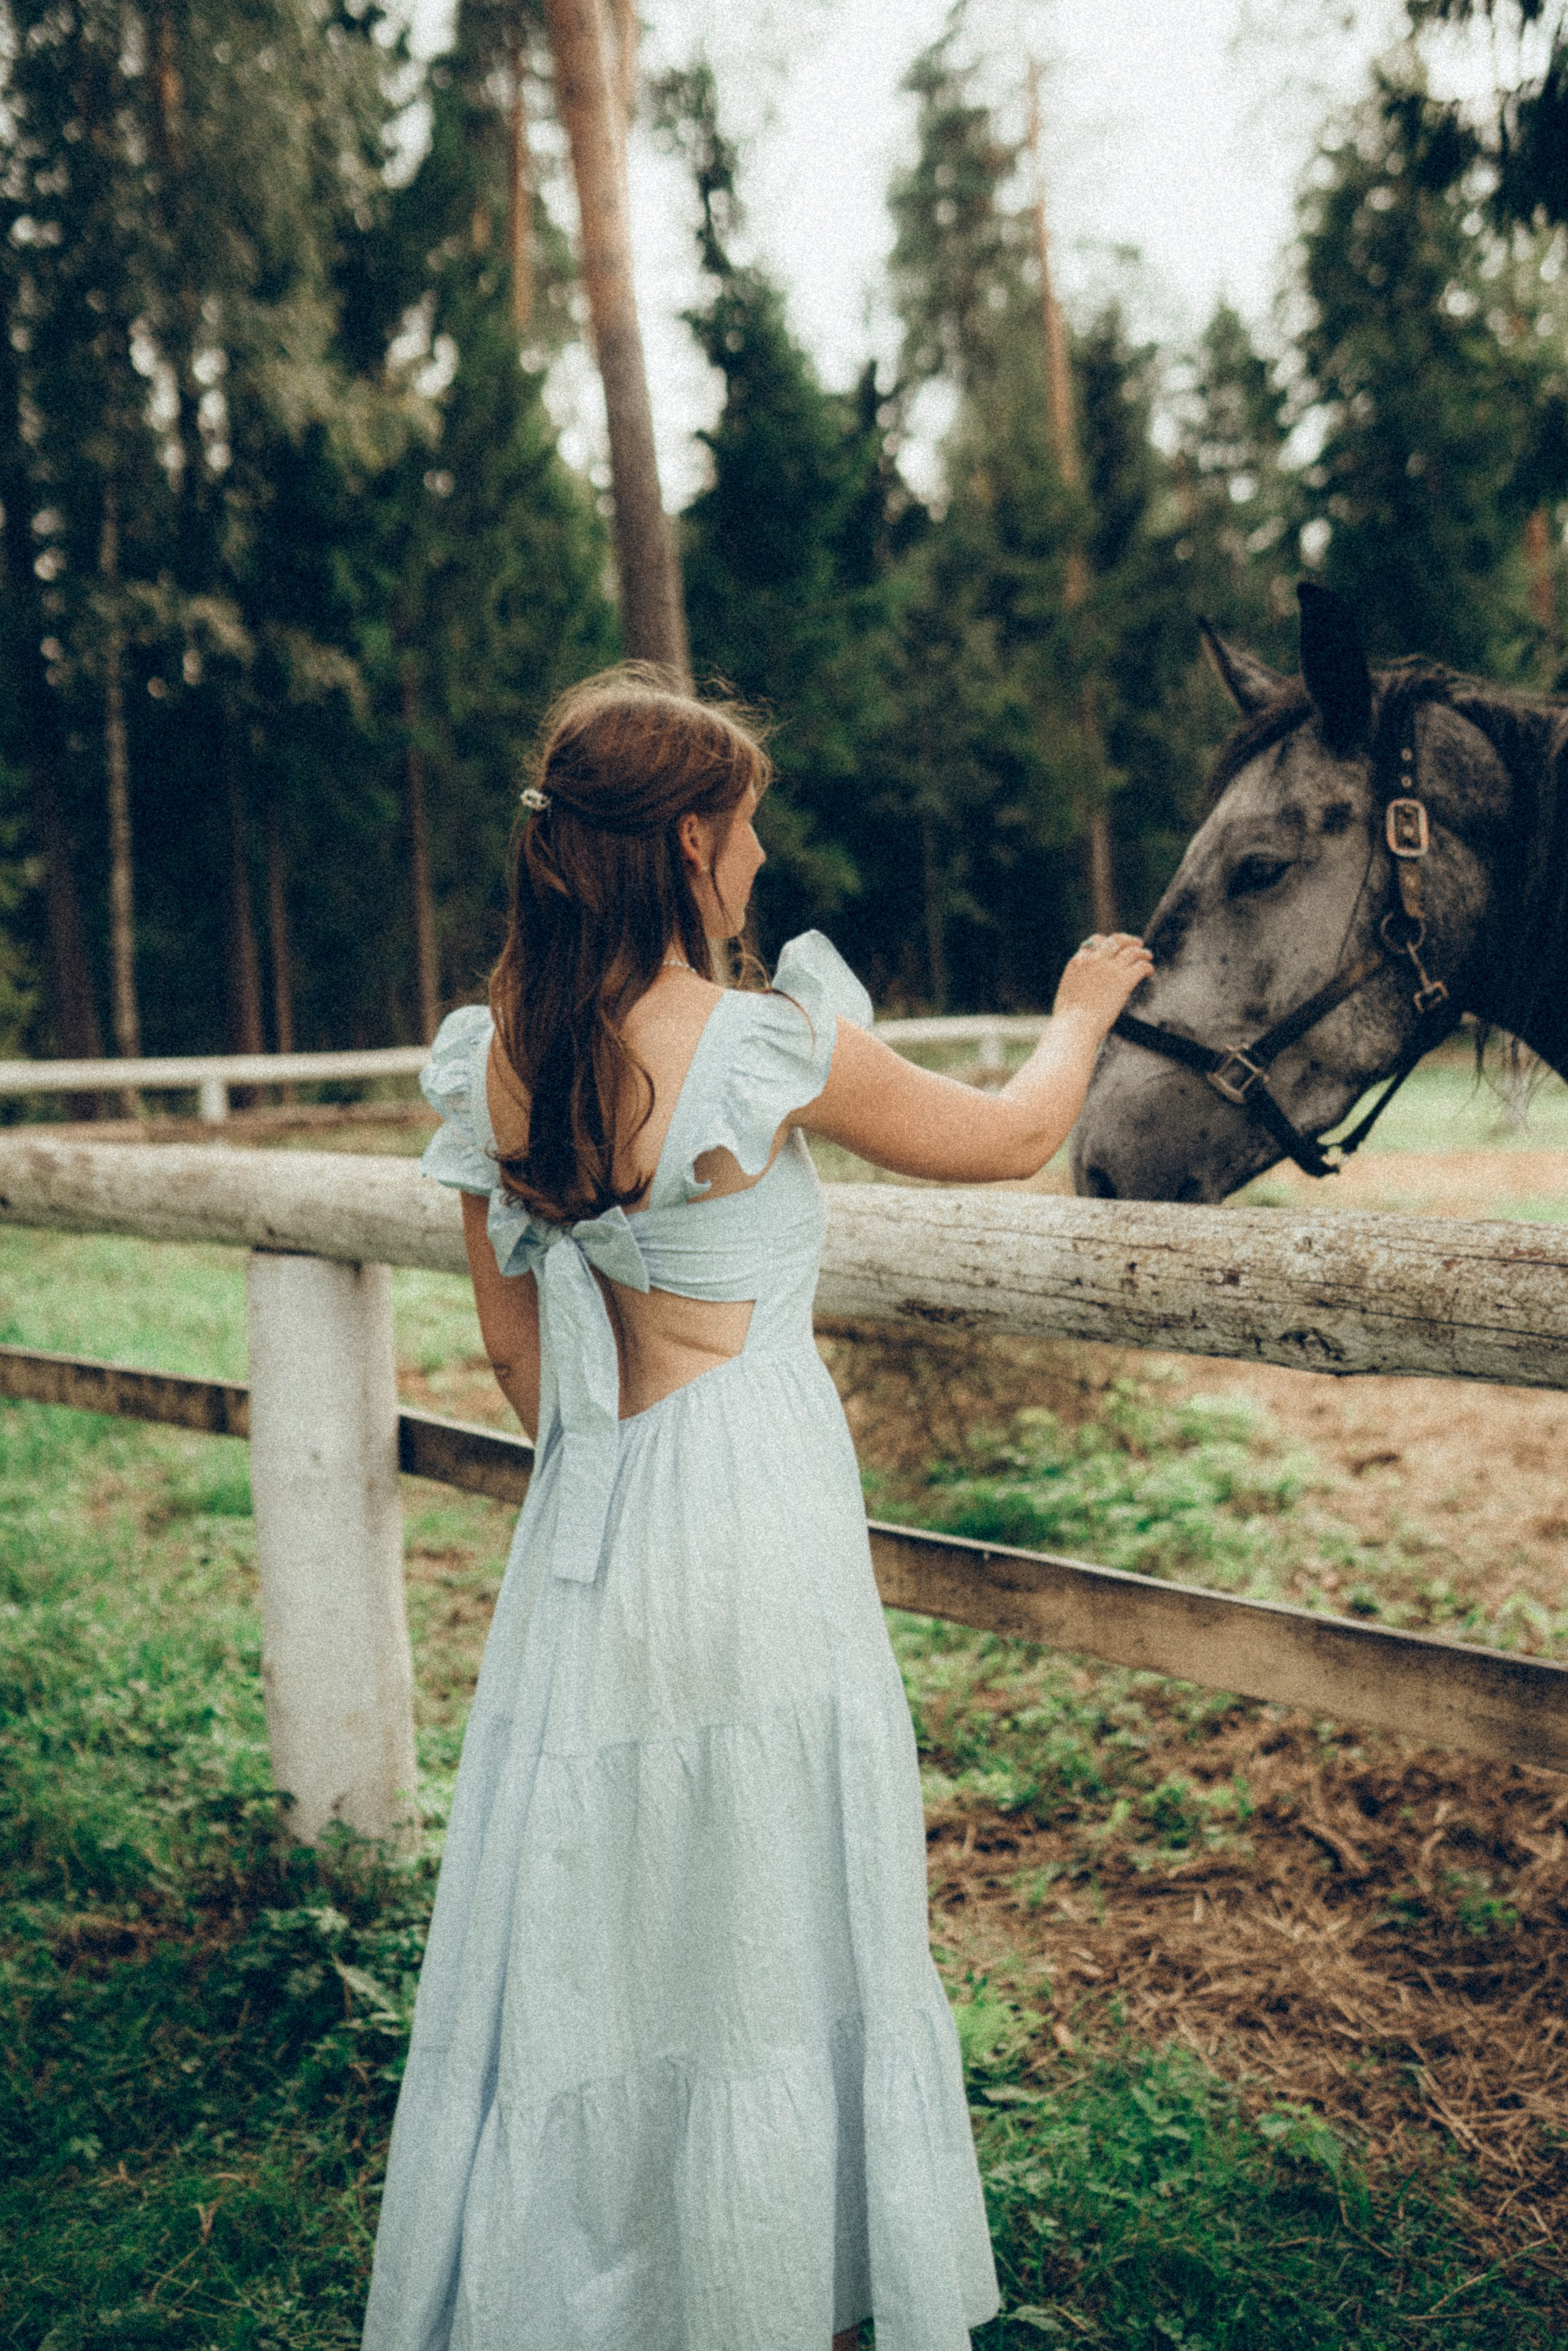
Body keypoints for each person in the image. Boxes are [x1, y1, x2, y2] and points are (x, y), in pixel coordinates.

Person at [361, 666, 1153, 2351]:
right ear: (691, 845)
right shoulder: (751, 1044)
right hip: (755, 1511)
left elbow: (515, 1337)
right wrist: (1085, 1009)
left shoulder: (497, 1055)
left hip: (598, 1511)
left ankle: (600, 2283)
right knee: (766, 1896)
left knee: (605, 1900)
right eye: (751, 826)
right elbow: (1010, 1137)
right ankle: (774, 2281)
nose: (766, 855)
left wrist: (619, 1467)